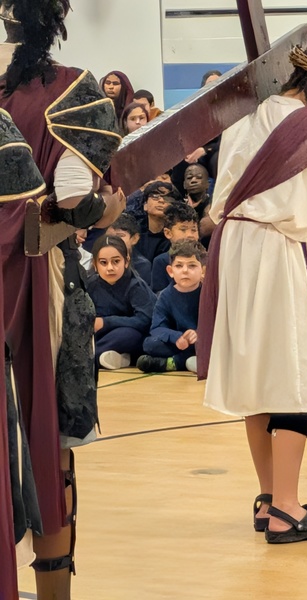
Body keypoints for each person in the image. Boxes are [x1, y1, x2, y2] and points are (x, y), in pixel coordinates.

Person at [196, 40, 307, 543]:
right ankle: (288, 510)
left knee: (257, 376)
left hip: (232, 247)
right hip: (274, 250)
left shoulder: (243, 114)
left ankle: (269, 498)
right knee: (293, 375)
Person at [1, 1, 124, 594]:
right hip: (37, 281)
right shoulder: (71, 89)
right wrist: (109, 210)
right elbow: (73, 200)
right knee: (52, 442)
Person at [87, 235, 156, 370]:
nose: (110, 268)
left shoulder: (136, 286)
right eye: (103, 263)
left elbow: (145, 320)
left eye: (116, 261)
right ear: (95, 264)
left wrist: (106, 322)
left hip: (129, 334)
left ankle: (91, 357)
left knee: (129, 335)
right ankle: (117, 358)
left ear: (126, 261)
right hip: (102, 336)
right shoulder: (90, 285)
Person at [138, 240, 206, 373]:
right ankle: (189, 361)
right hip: (179, 344)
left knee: (213, 344)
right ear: (170, 271)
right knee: (149, 344)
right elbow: (157, 328)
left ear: (202, 270)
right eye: (179, 266)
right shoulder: (165, 296)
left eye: (192, 266)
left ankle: (174, 363)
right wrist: (177, 337)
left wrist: (198, 334)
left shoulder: (208, 294)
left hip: (202, 341)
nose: (185, 271)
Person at [151, 202, 201, 293]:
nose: (190, 235)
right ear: (168, 233)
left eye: (194, 230)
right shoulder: (161, 261)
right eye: (183, 229)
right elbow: (159, 294)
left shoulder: (206, 258)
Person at [136, 180, 180, 263]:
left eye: (167, 198)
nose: (161, 200)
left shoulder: (176, 235)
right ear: (145, 205)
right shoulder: (135, 232)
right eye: (155, 196)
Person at [106, 212, 153, 284]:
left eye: (120, 236)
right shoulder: (97, 259)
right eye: (109, 236)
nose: (113, 240)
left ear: (134, 238)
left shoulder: (142, 265)